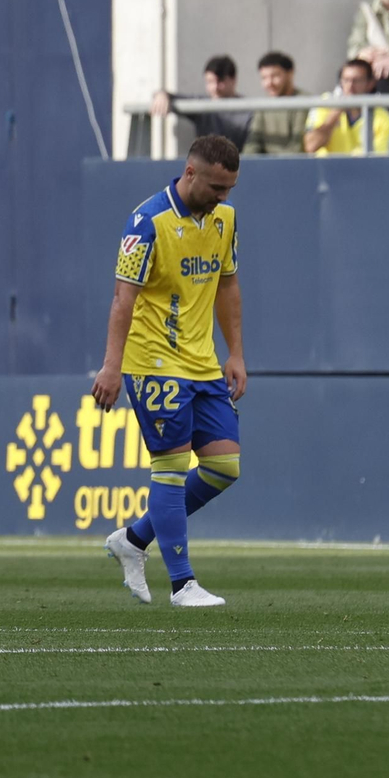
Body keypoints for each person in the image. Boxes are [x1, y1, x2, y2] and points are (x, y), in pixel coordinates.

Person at [92, 135, 245, 608]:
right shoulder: (147, 223)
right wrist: (112, 367)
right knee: (173, 467)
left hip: (200, 361)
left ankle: (134, 540)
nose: (224, 197)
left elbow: (228, 284)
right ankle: (182, 584)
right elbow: (124, 298)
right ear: (191, 172)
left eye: (230, 188)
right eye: (217, 187)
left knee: (223, 467)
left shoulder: (225, 220)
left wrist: (235, 353)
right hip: (152, 359)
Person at [148, 55, 250, 150]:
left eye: (220, 81)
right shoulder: (202, 105)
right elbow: (173, 97)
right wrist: (162, 95)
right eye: (210, 82)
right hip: (206, 165)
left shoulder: (249, 110)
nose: (214, 88)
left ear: (233, 80)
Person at [303, 59, 389, 155]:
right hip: (325, 168)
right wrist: (334, 115)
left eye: (357, 81)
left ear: (370, 84)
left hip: (361, 169)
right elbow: (311, 146)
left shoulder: (382, 116)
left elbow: (375, 159)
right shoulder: (325, 104)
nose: (350, 86)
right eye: (346, 80)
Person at [243, 52, 307, 154]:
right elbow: (253, 143)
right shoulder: (263, 106)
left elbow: (297, 146)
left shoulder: (304, 101)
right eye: (264, 78)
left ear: (290, 74)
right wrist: (247, 165)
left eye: (275, 76)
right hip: (265, 166)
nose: (269, 83)